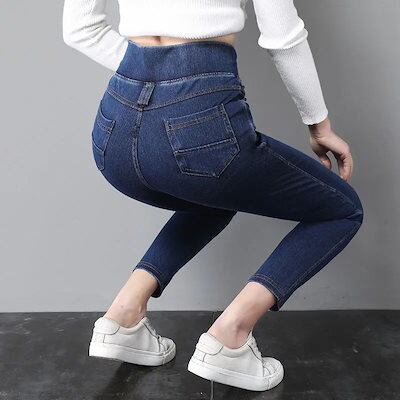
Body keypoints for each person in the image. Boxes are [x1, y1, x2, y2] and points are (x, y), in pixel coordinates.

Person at [62, 0, 364, 392]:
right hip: (198, 119)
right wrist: (319, 125)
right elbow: (283, 36)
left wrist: (154, 74)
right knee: (342, 210)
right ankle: (231, 335)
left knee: (212, 195)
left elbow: (79, 29)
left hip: (113, 130)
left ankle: (123, 315)